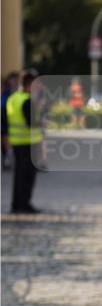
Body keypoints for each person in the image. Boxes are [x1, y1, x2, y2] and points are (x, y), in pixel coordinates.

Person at [7, 68, 43, 214]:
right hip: (27, 143)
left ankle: (17, 204)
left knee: (19, 176)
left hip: (17, 142)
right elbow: (32, 123)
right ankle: (24, 204)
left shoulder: (13, 98)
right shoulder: (27, 101)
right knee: (27, 177)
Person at [1, 71, 19, 171]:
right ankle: (6, 157)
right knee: (5, 138)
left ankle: (9, 158)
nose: (15, 81)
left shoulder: (17, 91)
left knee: (8, 138)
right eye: (13, 79)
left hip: (12, 117)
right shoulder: (6, 91)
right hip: (4, 116)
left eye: (16, 79)